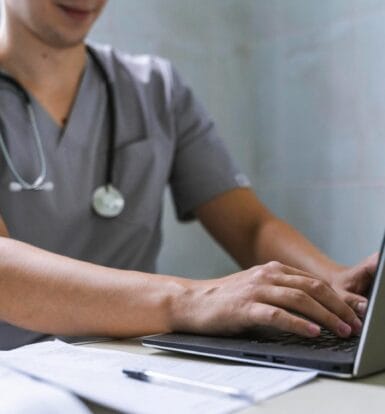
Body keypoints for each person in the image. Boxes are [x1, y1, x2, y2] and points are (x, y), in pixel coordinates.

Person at [0, 0, 377, 350]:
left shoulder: (154, 89)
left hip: (134, 362)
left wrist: (331, 281)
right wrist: (191, 300)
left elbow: (249, 227)